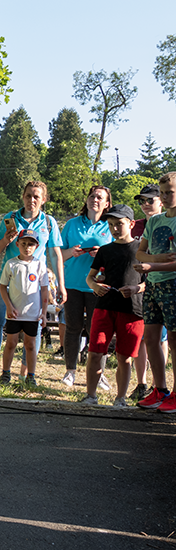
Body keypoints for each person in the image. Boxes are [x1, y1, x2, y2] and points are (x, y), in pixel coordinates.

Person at [0, 181, 65, 378]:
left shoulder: (49, 222)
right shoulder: (10, 218)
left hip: (35, 284)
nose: (31, 200)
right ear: (22, 196)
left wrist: (61, 285)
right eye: (28, 196)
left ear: (43, 199)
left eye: (36, 196)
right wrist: (7, 238)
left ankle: (25, 372)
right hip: (7, 283)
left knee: (35, 325)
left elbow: (56, 255)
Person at [81, 205, 145, 406]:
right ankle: (91, 396)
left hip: (132, 310)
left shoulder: (142, 250)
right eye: (110, 225)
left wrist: (136, 289)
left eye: (119, 224)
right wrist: (95, 286)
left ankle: (120, 398)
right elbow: (90, 278)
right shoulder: (105, 250)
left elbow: (148, 282)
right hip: (104, 307)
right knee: (95, 352)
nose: (115, 228)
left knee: (124, 357)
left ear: (132, 224)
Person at [59, 185, 113, 388]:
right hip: (72, 284)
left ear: (107, 204)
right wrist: (71, 252)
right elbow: (57, 256)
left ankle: (98, 374)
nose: (95, 199)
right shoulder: (72, 224)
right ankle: (70, 371)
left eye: (100, 197)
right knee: (73, 328)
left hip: (97, 287)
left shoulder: (110, 226)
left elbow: (117, 257)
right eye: (92, 196)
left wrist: (102, 255)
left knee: (96, 330)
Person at [134, 172, 176, 411]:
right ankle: (160, 389)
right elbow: (140, 252)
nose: (166, 196)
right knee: (150, 338)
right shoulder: (154, 221)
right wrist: (155, 260)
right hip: (153, 284)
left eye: (170, 192)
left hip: (172, 283)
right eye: (163, 192)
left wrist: (153, 265)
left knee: (174, 340)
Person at [0, 230, 49, 387]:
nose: (27, 247)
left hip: (32, 315)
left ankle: (30, 376)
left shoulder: (39, 265)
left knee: (30, 345)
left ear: (36, 246)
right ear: (17, 244)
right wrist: (8, 306)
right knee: (11, 343)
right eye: (24, 243)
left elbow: (45, 290)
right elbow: (2, 287)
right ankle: (5, 374)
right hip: (14, 314)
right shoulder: (11, 264)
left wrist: (44, 313)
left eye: (31, 244)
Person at [129, 183, 166, 400]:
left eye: (149, 200)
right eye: (141, 201)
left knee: (162, 338)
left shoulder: (168, 223)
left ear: (161, 200)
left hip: (162, 283)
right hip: (138, 286)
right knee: (141, 337)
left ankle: (157, 385)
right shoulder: (137, 226)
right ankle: (141, 383)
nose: (145, 204)